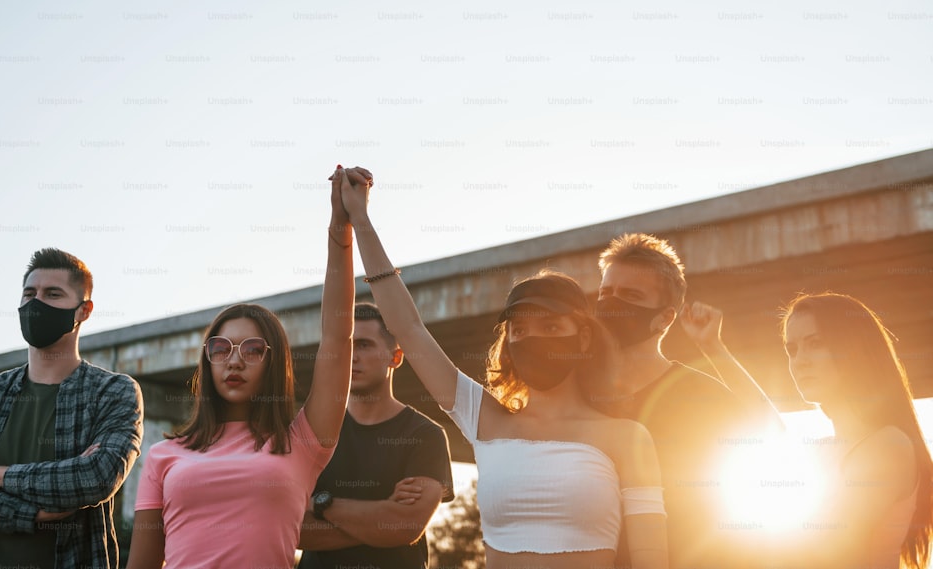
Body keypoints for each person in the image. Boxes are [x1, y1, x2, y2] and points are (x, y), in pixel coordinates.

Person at [338, 167, 668, 569]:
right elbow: (407, 326)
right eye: (519, 330)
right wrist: (361, 221)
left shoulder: (627, 437)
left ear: (582, 338)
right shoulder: (484, 419)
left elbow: (653, 560)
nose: (532, 340)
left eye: (550, 326)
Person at [125, 166, 356, 569]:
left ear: (274, 362)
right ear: (208, 359)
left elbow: (337, 338)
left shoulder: (301, 443)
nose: (234, 359)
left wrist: (341, 229)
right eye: (221, 348)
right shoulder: (164, 455)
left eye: (252, 349)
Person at [683, 293, 933, 569]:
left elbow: (831, 551)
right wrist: (711, 345)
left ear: (853, 348)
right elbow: (768, 422)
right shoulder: (826, 449)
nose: (799, 360)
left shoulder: (888, 446)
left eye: (815, 344)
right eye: (792, 350)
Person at [0, 247, 145, 569]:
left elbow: (96, 477)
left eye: (53, 294)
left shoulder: (112, 392)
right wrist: (29, 513)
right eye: (29, 293)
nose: (36, 303)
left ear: (83, 311)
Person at [587, 232, 770, 569]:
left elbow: (770, 432)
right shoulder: (578, 392)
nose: (611, 304)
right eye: (605, 293)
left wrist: (712, 348)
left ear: (665, 317)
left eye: (630, 295)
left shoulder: (695, 393)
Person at [297, 302, 455, 569]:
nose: (351, 356)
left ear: (395, 357)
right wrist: (381, 523)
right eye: (346, 346)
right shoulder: (310, 431)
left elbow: (406, 526)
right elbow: (291, 528)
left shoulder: (425, 435)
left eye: (363, 345)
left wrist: (319, 504)